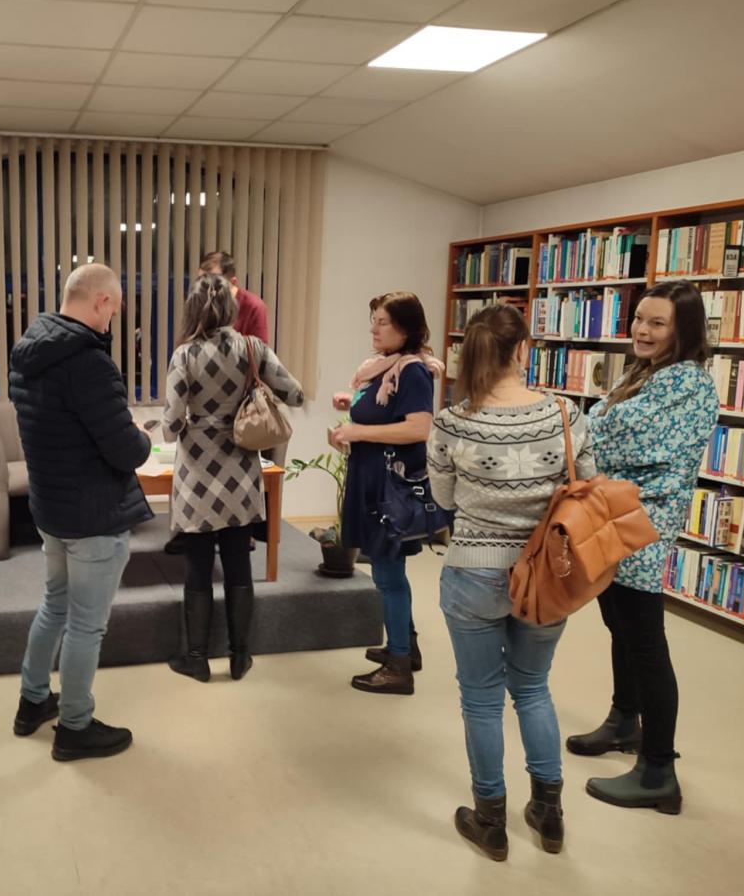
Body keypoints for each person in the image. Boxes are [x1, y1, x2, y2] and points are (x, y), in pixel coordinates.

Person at [427, 304, 596, 861]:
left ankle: (490, 820)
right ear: (523, 349)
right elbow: (587, 484)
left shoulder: (452, 422)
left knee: (480, 699)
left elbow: (444, 498)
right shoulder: (564, 414)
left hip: (473, 571)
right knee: (533, 688)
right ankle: (549, 815)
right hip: (546, 574)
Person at [568, 281, 718, 814]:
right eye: (639, 319)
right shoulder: (643, 372)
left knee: (646, 643)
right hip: (613, 517)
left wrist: (583, 430)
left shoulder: (688, 382)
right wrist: (589, 428)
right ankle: (623, 720)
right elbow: (600, 427)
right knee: (620, 627)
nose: (642, 330)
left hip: (640, 527)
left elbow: (617, 438)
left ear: (683, 330)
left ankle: (659, 770)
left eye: (658, 323)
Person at [9, 263, 153, 761]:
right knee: (86, 625)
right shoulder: (89, 364)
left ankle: (32, 702)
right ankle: (74, 726)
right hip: (93, 515)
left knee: (55, 605)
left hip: (51, 509)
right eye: (115, 308)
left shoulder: (28, 352)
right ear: (101, 302)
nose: (114, 319)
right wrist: (142, 435)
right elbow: (126, 451)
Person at [162, 273, 303, 682]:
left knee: (198, 564)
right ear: (231, 308)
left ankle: (196, 657)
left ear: (191, 310)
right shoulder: (253, 348)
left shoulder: (184, 355)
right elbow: (294, 393)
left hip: (197, 475)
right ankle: (241, 656)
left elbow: (171, 426)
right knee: (238, 561)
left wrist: (191, 421)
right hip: (240, 471)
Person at [330, 291, 442, 695]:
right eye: (373, 321)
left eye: (383, 323)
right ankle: (405, 646)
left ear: (406, 329)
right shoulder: (383, 368)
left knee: (388, 574)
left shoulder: (412, 371)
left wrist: (358, 431)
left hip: (388, 486)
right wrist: (351, 405)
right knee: (390, 571)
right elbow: (385, 412)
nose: (374, 330)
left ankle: (398, 665)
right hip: (372, 478)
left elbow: (418, 428)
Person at [164, 251, 271, 557]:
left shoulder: (253, 309)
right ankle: (199, 533)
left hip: (242, 416)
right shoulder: (192, 343)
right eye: (201, 280)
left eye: (210, 279)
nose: (205, 286)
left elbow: (260, 365)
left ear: (231, 282)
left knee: (221, 544)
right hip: (213, 424)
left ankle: (241, 533)